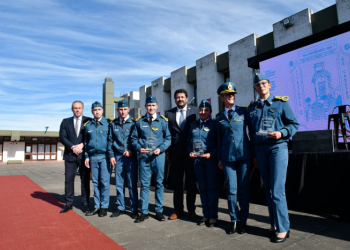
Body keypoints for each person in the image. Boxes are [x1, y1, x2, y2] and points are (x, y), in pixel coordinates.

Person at [246, 73, 299, 243]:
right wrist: (254, 155)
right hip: (260, 150)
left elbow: (294, 124)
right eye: (258, 85)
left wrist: (281, 133)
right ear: (255, 88)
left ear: (269, 85)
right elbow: (251, 133)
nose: (261, 86)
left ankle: (284, 228)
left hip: (277, 147)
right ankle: (274, 224)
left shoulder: (280, 103)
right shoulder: (252, 108)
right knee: (268, 190)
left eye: (263, 83)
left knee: (277, 190)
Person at [215, 82, 254, 234]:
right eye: (227, 94)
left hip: (244, 155)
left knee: (244, 189)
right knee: (231, 190)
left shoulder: (244, 112)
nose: (231, 96)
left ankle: (243, 220)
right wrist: (219, 158)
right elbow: (219, 139)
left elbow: (250, 133)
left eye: (233, 94)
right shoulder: (218, 117)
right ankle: (233, 220)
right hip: (227, 157)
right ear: (222, 97)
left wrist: (253, 154)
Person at [131, 95, 171, 223]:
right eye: (149, 105)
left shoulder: (163, 121)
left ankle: (159, 210)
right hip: (144, 157)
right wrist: (138, 148)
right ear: (145, 107)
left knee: (159, 183)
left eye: (153, 105)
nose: (151, 107)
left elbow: (168, 138)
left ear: (157, 106)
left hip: (158, 156)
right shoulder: (139, 122)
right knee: (144, 185)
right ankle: (144, 211)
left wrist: (161, 149)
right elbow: (133, 139)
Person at [165, 89, 198, 220]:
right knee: (177, 184)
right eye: (178, 97)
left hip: (191, 154)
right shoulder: (169, 113)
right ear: (175, 99)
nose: (180, 99)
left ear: (186, 98)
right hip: (175, 154)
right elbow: (167, 134)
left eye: (182, 97)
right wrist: (168, 152)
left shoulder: (195, 111)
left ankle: (191, 210)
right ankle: (178, 210)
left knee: (191, 184)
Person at [187, 100, 219, 228]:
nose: (203, 112)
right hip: (197, 161)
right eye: (201, 110)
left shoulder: (215, 125)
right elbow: (189, 142)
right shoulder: (193, 125)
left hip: (210, 160)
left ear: (210, 112)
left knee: (212, 188)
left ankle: (213, 216)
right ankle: (205, 215)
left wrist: (212, 154)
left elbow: (219, 143)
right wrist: (190, 152)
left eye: (206, 110)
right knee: (203, 188)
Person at [108, 99, 139, 219]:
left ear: (128, 109)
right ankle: (120, 207)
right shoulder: (113, 124)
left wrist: (132, 150)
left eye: (125, 109)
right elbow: (110, 141)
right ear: (117, 110)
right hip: (118, 157)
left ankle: (134, 208)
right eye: (120, 109)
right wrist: (111, 155)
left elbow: (137, 140)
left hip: (131, 157)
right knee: (119, 184)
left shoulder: (134, 123)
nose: (122, 111)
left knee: (132, 184)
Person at [59, 100, 91, 213]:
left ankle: (85, 204)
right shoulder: (65, 122)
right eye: (75, 108)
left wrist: (82, 145)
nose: (77, 110)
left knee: (85, 180)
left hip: (84, 156)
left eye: (79, 108)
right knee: (68, 180)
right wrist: (73, 147)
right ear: (72, 109)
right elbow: (62, 137)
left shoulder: (89, 121)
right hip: (69, 155)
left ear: (83, 109)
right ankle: (68, 204)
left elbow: (91, 137)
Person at [84, 101, 111, 217]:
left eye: (99, 109)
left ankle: (104, 207)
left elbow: (110, 141)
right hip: (93, 157)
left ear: (102, 110)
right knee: (95, 183)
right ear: (92, 112)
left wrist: (111, 156)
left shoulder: (108, 124)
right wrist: (86, 156)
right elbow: (85, 142)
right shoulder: (88, 125)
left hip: (104, 157)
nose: (97, 112)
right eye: (95, 110)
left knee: (104, 183)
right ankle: (97, 206)